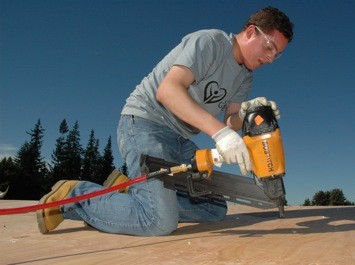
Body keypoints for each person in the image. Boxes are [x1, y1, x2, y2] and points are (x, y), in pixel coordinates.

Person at [37, 6, 294, 236]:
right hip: (145, 123)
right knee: (159, 221)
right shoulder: (211, 42)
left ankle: (131, 194)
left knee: (213, 209)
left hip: (180, 140)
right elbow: (168, 91)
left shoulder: (245, 76)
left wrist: (246, 112)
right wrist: (221, 135)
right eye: (269, 47)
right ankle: (73, 197)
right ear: (251, 32)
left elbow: (231, 121)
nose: (270, 58)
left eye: (278, 54)